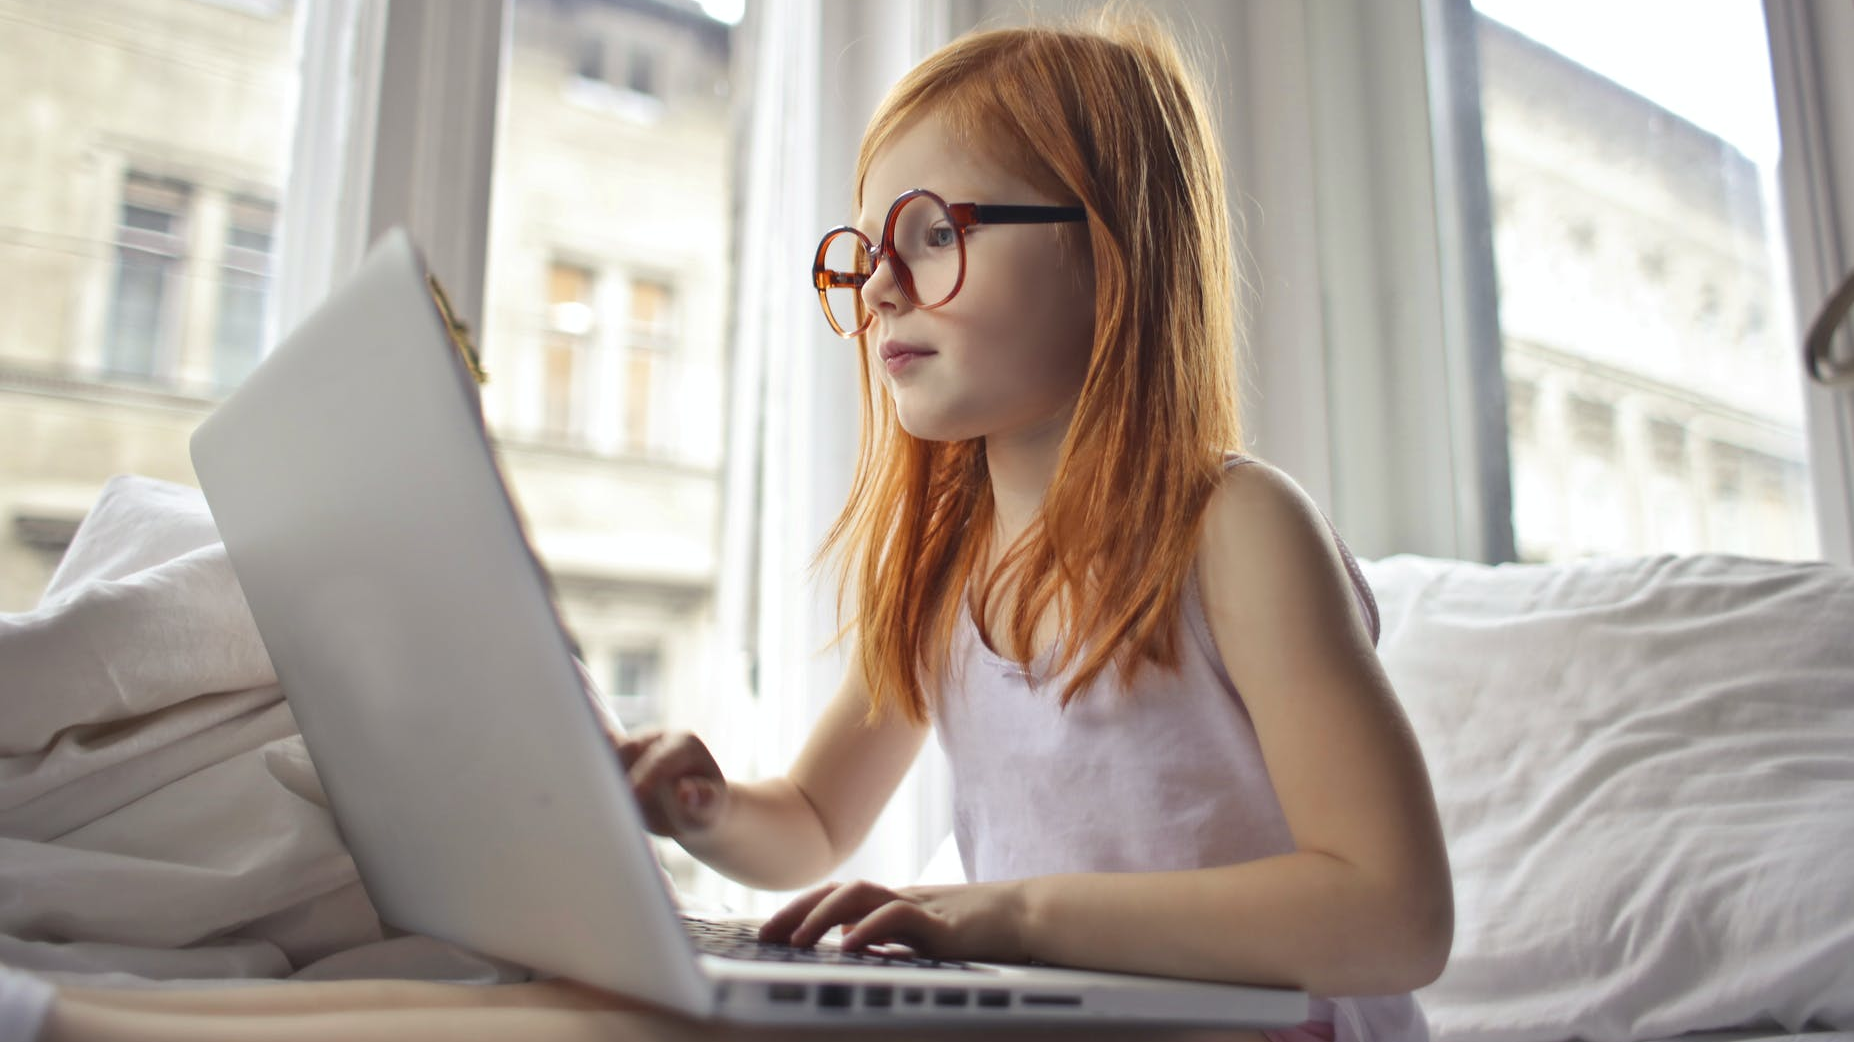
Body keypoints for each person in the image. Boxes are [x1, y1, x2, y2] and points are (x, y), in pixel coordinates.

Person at [617, 12, 1453, 1042]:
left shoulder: (1238, 530)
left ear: (1107, 253)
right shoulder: (943, 572)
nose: (879, 287)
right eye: (870, 250)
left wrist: (1016, 914)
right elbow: (814, 820)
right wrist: (704, 808)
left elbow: (1395, 914)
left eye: (932, 234)